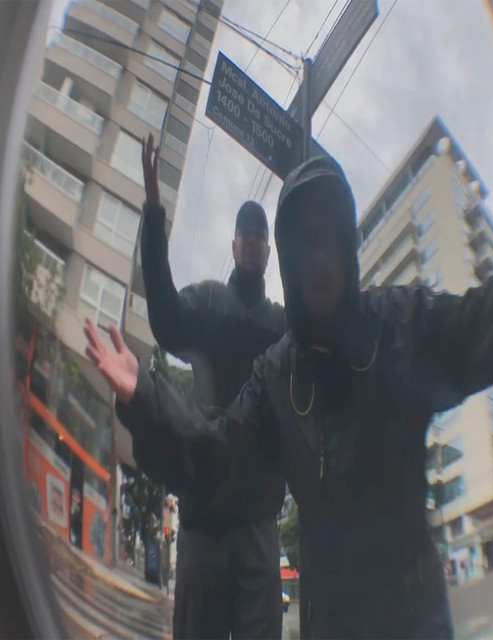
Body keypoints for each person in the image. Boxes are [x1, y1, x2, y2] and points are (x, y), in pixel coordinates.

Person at [86, 155, 493, 638]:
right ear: (285, 259)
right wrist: (145, 399)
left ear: (346, 245)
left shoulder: (398, 327)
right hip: (329, 620)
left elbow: (481, 324)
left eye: (329, 237)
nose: (318, 257)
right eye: (303, 242)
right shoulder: (277, 374)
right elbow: (219, 452)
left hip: (412, 615)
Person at [133, 134, 287, 639]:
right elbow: (164, 316)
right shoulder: (208, 301)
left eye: (260, 235)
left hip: (260, 520)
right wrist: (154, 212)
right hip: (203, 513)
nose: (251, 241)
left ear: (269, 251)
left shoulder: (282, 326)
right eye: (244, 234)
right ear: (233, 246)